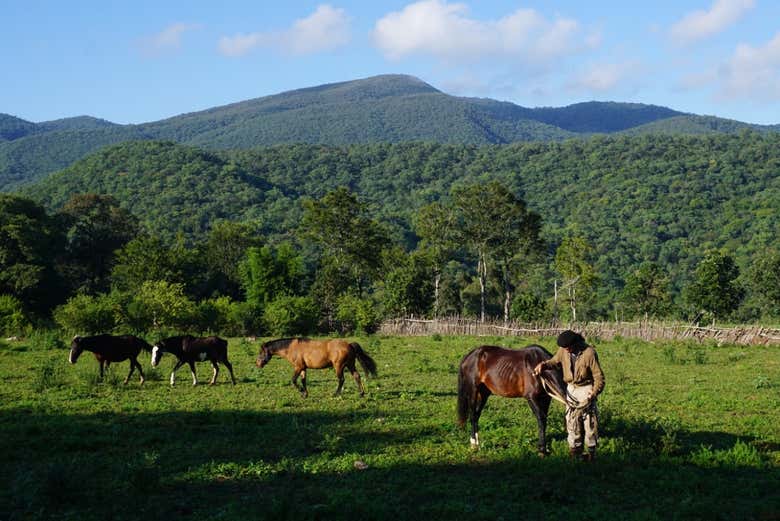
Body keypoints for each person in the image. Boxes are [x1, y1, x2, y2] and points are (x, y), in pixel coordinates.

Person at [533, 330, 605, 461]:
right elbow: (554, 361)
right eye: (564, 348)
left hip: (586, 388)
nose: (566, 350)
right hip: (571, 389)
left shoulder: (589, 353)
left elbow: (598, 376)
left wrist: (594, 393)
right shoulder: (563, 351)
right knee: (572, 422)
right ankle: (575, 452)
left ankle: (591, 453)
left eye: (568, 348)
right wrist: (543, 365)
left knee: (589, 423)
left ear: (576, 343)